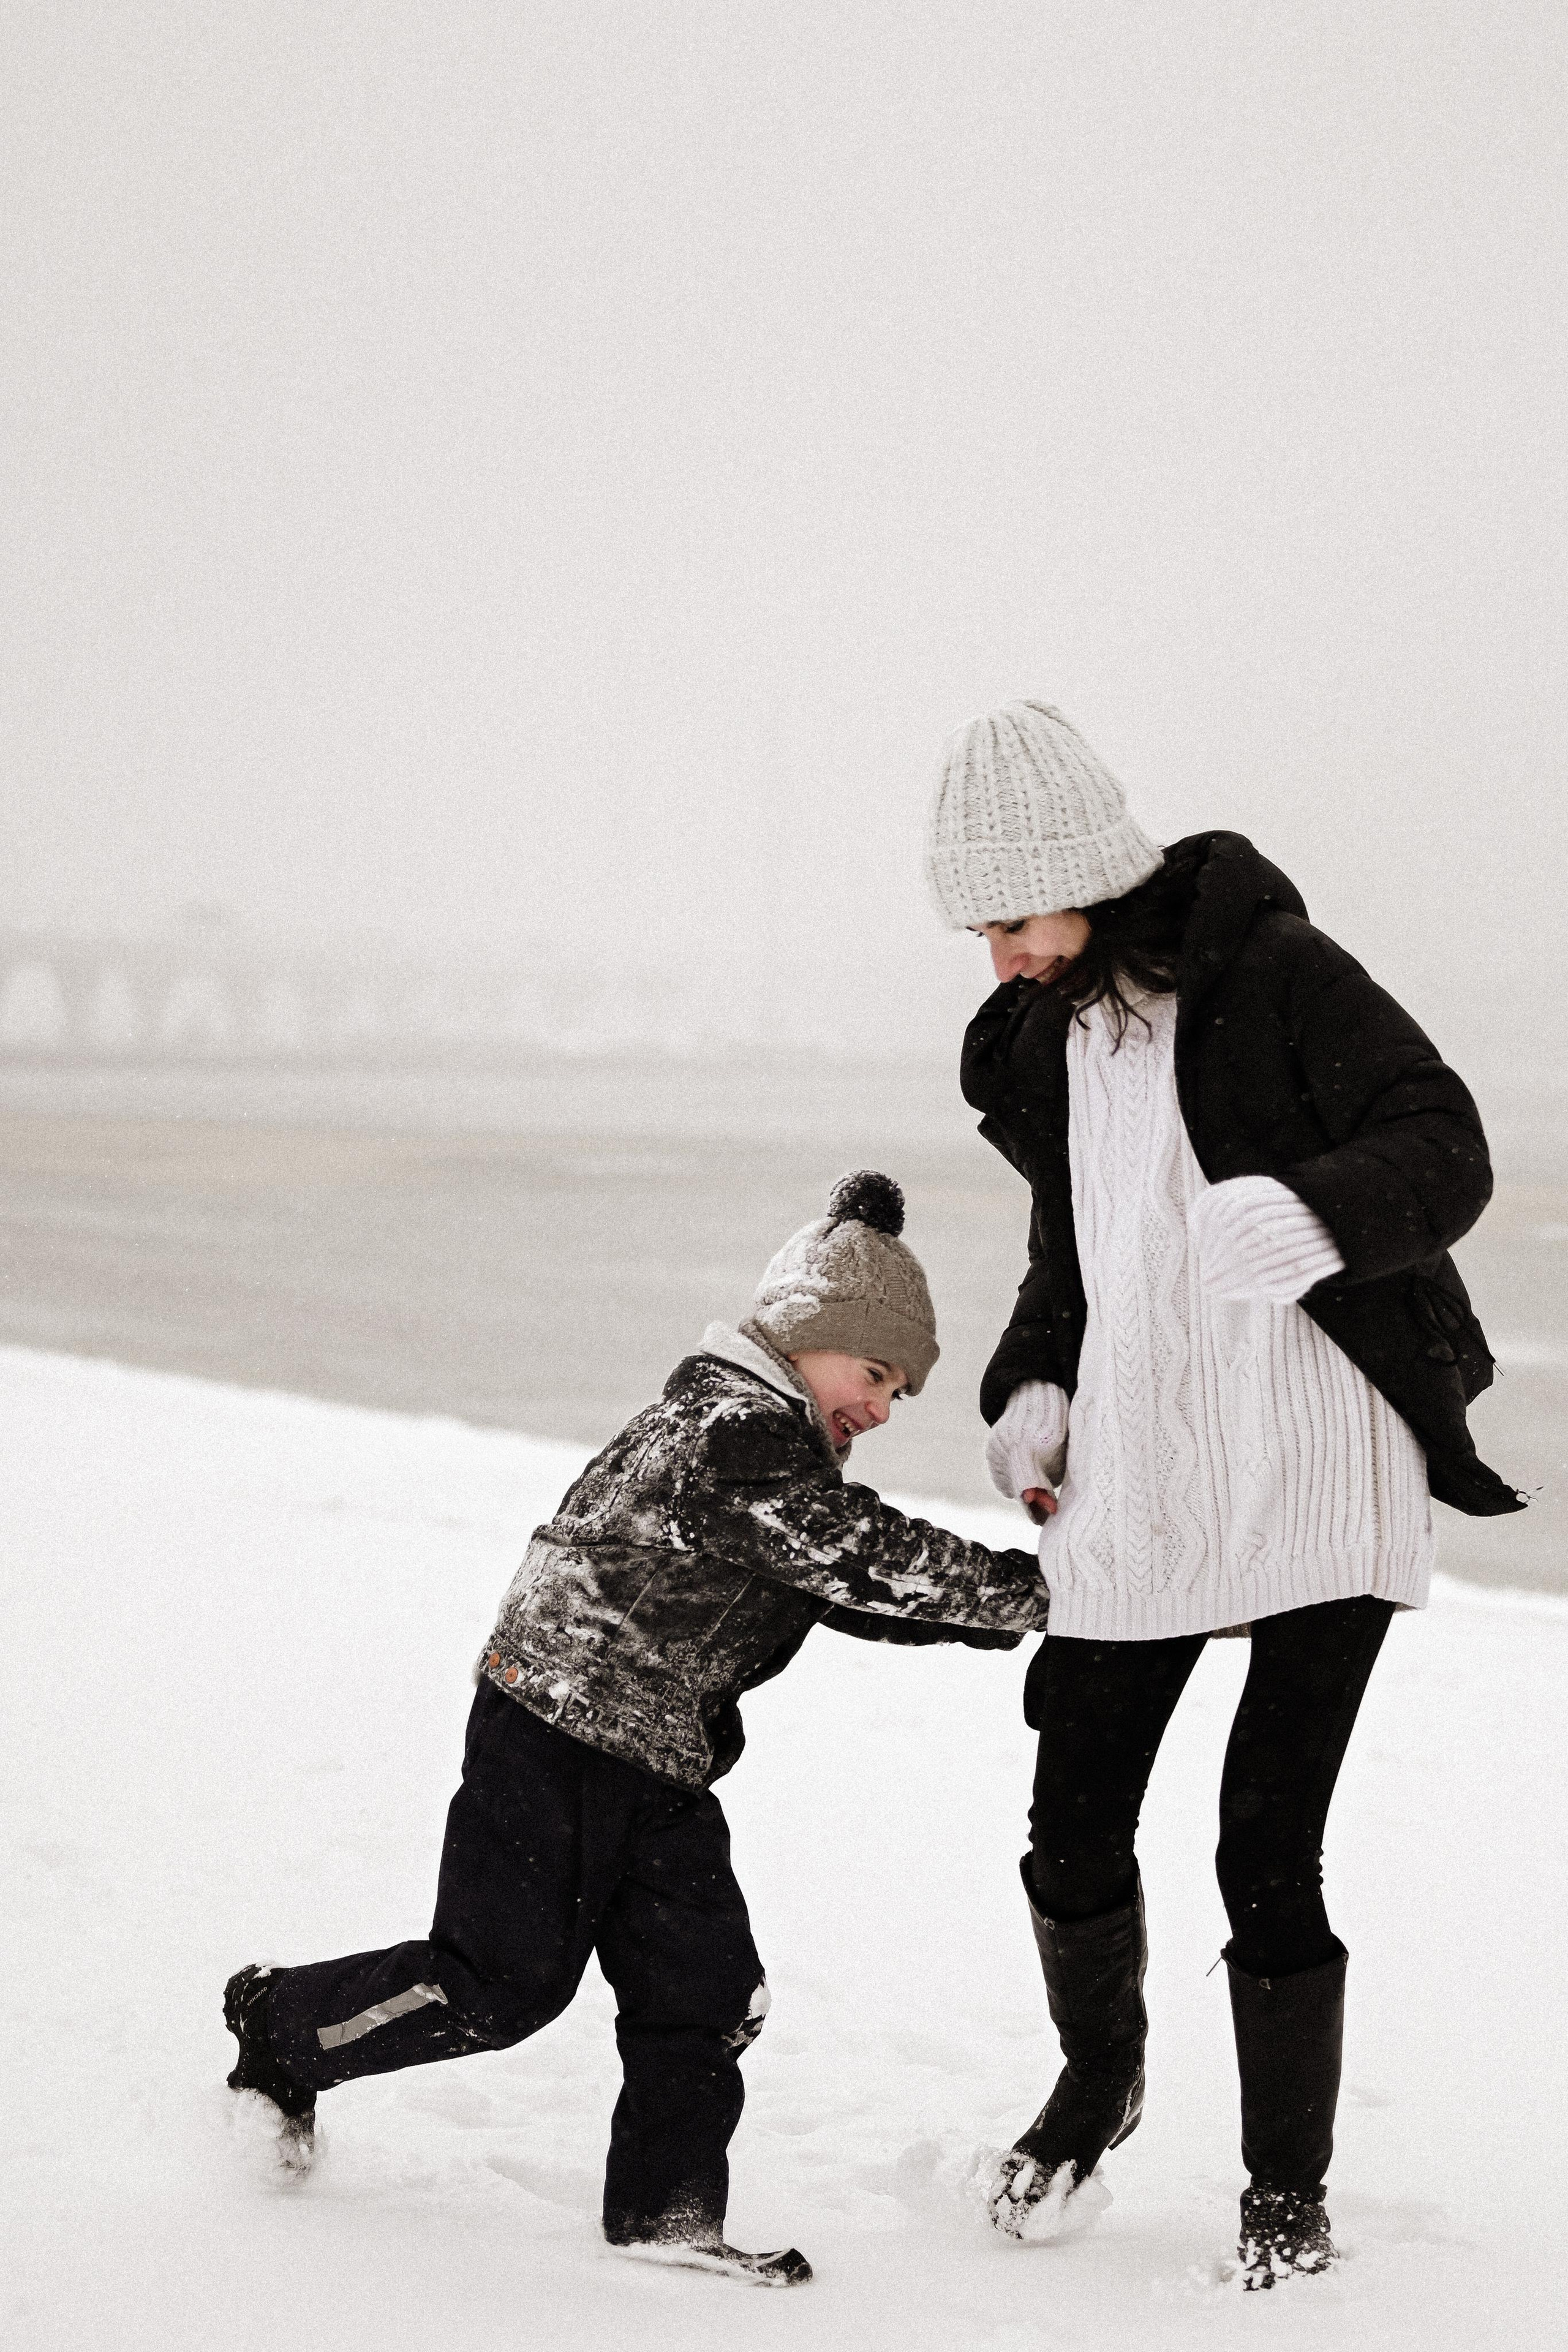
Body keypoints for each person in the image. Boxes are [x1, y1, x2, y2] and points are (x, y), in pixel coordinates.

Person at [925, 701, 1520, 2288]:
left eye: (1010, 916)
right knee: (1070, 1819)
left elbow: (1445, 1144)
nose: (998, 955)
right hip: (1148, 1461)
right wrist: (1036, 1386)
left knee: (1266, 1847)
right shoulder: (1056, 1036)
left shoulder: (1273, 975)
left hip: (1321, 1457)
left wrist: (1320, 1214)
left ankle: (1283, 2192)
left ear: (1081, 874)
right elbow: (1077, 1249)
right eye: (978, 929)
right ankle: (1098, 2083)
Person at [222, 1169, 1047, 2288]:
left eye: (901, 1391)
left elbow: (844, 1584)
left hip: (655, 1759)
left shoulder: (773, 1458)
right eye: (877, 1375)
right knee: (496, 1986)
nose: (886, 1409)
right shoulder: (729, 1436)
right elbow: (864, 1557)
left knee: (704, 1992)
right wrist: (1046, 1593)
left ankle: (667, 2211)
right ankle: (281, 2025)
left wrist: (1023, 1616)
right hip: (554, 1732)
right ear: (809, 1337)